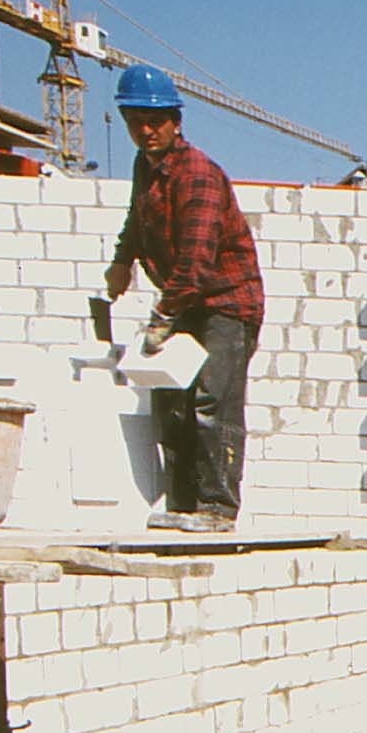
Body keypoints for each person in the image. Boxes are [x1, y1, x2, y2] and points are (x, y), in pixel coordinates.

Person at [102, 64, 263, 534]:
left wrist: (162, 316)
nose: (146, 131)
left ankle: (217, 509)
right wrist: (122, 259)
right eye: (136, 121)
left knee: (214, 401)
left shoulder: (198, 176)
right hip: (187, 301)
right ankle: (184, 505)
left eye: (155, 121)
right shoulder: (145, 167)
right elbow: (137, 220)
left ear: (176, 121)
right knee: (172, 400)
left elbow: (194, 262)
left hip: (226, 305)